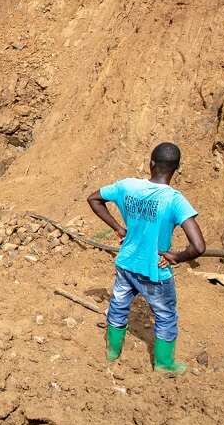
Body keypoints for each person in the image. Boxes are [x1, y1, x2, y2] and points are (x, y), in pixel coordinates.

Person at [86, 142, 206, 375]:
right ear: (177, 168)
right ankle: (164, 365)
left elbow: (93, 199)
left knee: (119, 305)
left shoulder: (127, 186)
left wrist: (119, 228)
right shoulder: (174, 200)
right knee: (165, 316)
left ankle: (112, 352)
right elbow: (199, 247)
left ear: (151, 163)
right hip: (154, 271)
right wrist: (176, 256)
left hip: (126, 263)